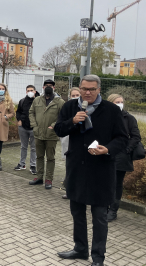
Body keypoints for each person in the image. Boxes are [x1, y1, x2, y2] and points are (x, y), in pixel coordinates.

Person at [55, 75, 128, 266]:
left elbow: (122, 138)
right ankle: (80, 249)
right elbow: (59, 129)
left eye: (92, 89)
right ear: (79, 88)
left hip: (101, 170)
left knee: (99, 217)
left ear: (99, 90)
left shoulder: (111, 110)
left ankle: (98, 257)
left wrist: (108, 149)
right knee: (77, 212)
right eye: (84, 88)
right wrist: (72, 121)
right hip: (77, 168)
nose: (87, 92)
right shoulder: (71, 107)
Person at [106, 93, 140, 222]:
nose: (119, 104)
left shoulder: (129, 118)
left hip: (121, 155)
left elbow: (136, 136)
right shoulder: (105, 117)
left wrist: (127, 149)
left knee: (116, 183)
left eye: (121, 102)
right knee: (106, 182)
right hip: (106, 153)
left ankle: (113, 210)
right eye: (116, 102)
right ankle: (104, 207)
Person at [28, 79, 65, 189]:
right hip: (38, 133)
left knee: (50, 158)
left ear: (54, 88)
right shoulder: (37, 100)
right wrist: (34, 125)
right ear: (43, 88)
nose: (48, 87)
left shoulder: (59, 102)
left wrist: (53, 125)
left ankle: (49, 180)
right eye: (46, 85)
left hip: (51, 135)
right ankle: (39, 177)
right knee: (39, 156)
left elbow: (62, 117)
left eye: (50, 86)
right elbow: (31, 113)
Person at [14, 85, 39, 174]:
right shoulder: (22, 101)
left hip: (34, 128)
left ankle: (33, 166)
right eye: (28, 90)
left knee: (34, 148)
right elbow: (18, 112)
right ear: (26, 91)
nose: (30, 92)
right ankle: (22, 164)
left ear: (35, 91)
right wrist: (19, 119)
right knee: (23, 146)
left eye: (31, 90)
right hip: (23, 127)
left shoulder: (39, 101)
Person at [61, 87, 81, 199]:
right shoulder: (67, 108)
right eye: (73, 95)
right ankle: (69, 190)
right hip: (67, 139)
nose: (75, 97)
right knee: (69, 166)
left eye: (77, 95)